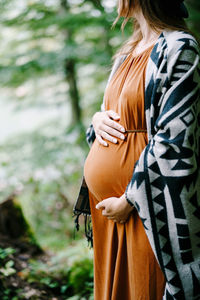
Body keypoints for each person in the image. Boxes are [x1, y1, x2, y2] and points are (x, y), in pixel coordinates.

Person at [74, 0, 200, 299]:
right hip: (108, 209)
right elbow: (114, 116)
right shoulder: (127, 53)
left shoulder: (179, 47)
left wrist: (131, 198)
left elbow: (175, 137)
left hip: (151, 206)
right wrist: (97, 118)